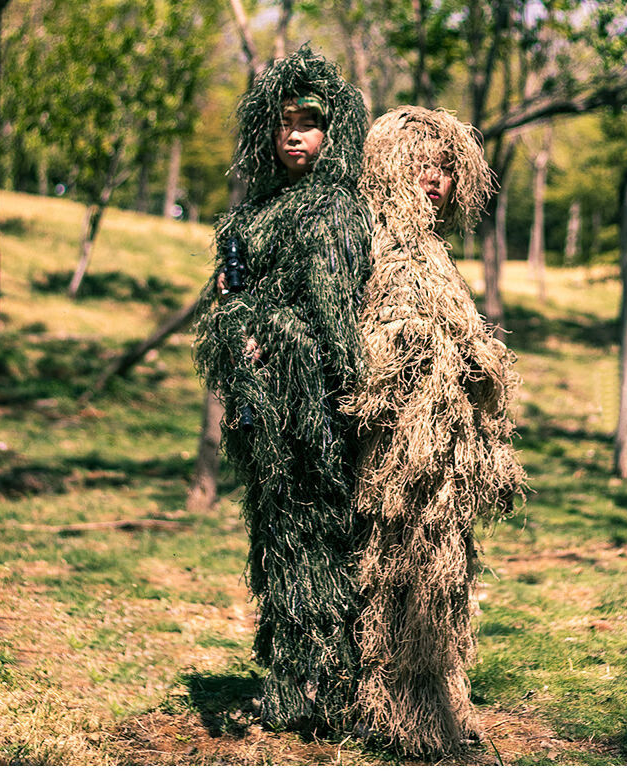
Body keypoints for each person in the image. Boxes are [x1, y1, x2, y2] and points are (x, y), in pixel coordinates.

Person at [193, 46, 371, 732]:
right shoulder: (252, 217)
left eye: (310, 121)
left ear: (334, 130)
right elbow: (237, 298)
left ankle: (334, 689)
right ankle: (293, 684)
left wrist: (342, 392)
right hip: (261, 412)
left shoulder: (335, 209)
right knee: (277, 547)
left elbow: (333, 317)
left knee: (324, 545)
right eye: (284, 121)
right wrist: (236, 316)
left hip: (318, 411)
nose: (295, 134)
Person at [344, 106, 526, 757]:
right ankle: (403, 714)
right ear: (389, 168)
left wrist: (480, 369)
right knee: (401, 580)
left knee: (444, 584)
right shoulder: (380, 248)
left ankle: (443, 699)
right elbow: (371, 345)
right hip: (401, 462)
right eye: (422, 165)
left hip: (447, 459)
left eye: (447, 168)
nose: (435, 178)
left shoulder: (437, 258)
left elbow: (467, 349)